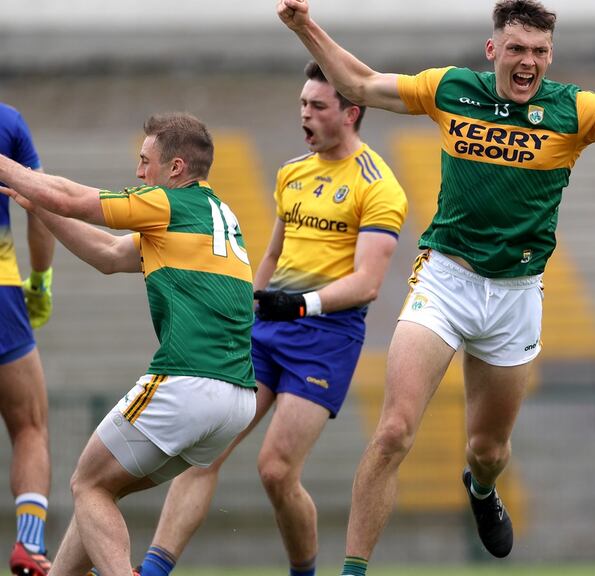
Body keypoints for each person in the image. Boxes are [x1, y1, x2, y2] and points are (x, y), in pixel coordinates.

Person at [277, 0, 595, 573]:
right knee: (395, 432)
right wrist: (305, 25)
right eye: (518, 49)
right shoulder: (450, 89)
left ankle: (480, 488)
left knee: (489, 451)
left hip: (517, 295)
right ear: (492, 50)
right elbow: (359, 81)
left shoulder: (577, 110)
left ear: (551, 55)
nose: (528, 62)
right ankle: (353, 570)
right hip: (446, 280)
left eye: (540, 52)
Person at [139, 62, 407, 576]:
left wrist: (303, 304)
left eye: (318, 106)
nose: (305, 115)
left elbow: (368, 282)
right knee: (205, 451)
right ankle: (153, 571)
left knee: (276, 470)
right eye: (302, 104)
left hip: (326, 338)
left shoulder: (379, 185)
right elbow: (271, 256)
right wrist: (248, 303)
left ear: (351, 112)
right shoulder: (292, 172)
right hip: (267, 330)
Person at [0, 112, 258, 576]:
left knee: (86, 484)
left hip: (188, 380)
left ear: (175, 168)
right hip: (236, 398)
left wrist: (15, 171)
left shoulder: (166, 204)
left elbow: (74, 198)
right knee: (100, 489)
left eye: (146, 161)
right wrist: (39, 208)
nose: (139, 173)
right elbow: (107, 254)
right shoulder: (215, 213)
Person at [1, 102, 56, 576]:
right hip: (1, 293)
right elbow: (37, 206)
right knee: (29, 426)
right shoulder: (8, 121)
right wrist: (39, 281)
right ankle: (29, 545)